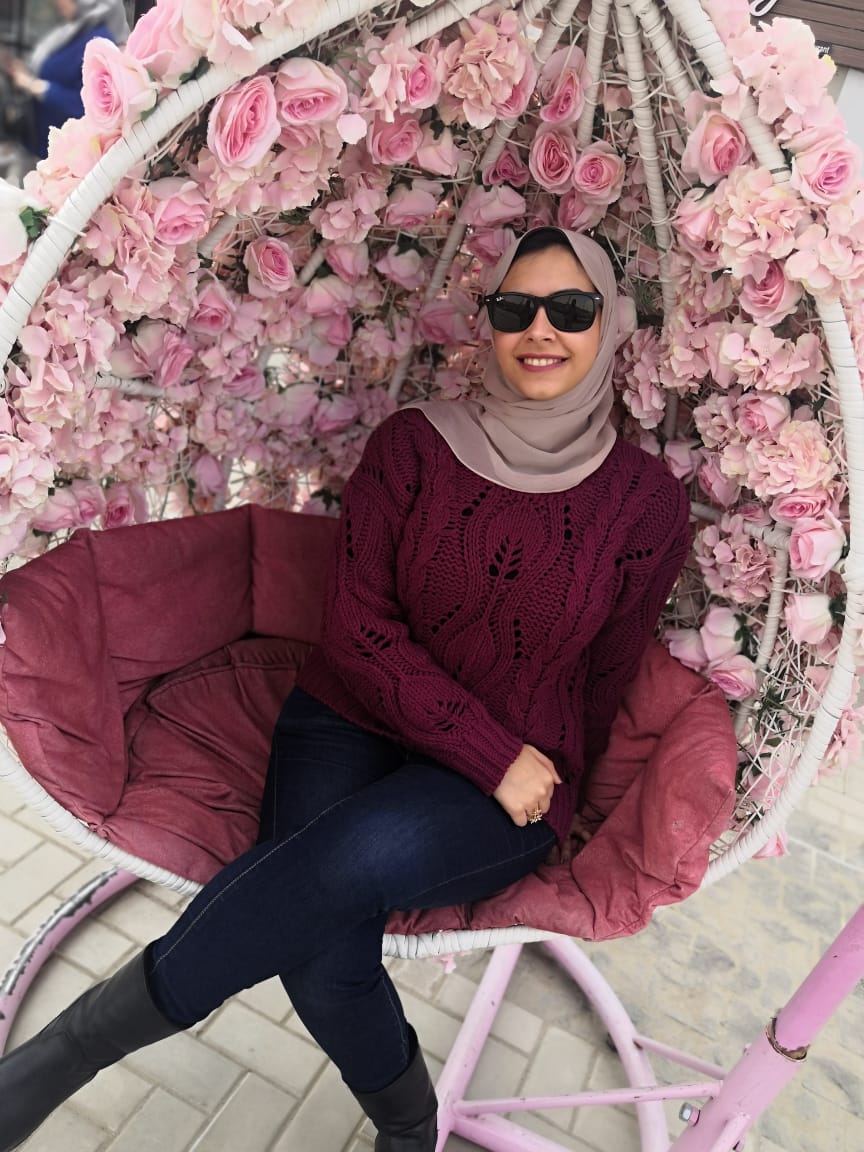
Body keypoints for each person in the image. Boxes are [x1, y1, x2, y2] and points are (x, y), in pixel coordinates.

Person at [0, 227, 691, 1152]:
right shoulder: (415, 446)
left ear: (609, 327)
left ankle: (53, 1065)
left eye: (570, 310)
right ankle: (410, 1131)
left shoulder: (646, 504)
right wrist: (489, 750)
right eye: (514, 308)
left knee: (347, 865)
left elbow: (606, 671)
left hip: (514, 776)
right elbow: (358, 629)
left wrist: (562, 791)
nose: (540, 330)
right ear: (488, 324)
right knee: (326, 957)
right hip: (354, 718)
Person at [0, 0, 127, 160]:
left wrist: (36, 86)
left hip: (60, 154)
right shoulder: (71, 33)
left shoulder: (99, 42)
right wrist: (22, 72)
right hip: (35, 139)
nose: (58, 3)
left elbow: (85, 106)